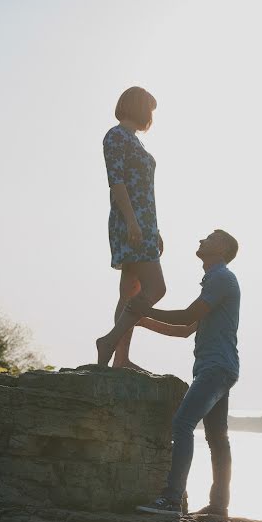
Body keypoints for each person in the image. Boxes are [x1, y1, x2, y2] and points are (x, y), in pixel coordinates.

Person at [131, 229, 240, 518]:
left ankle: (171, 498)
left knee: (182, 424)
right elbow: (184, 330)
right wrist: (142, 321)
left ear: (223, 248)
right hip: (218, 367)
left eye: (211, 237)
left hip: (216, 368)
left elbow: (187, 316)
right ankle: (219, 507)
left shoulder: (221, 278)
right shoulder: (214, 282)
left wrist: (147, 308)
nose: (203, 238)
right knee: (217, 437)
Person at [96, 86, 165, 370]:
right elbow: (117, 182)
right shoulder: (116, 136)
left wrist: (155, 229)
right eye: (149, 108)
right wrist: (133, 222)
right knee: (156, 287)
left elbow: (146, 191)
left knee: (130, 291)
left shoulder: (134, 142)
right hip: (131, 223)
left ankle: (121, 359)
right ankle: (110, 341)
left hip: (144, 224)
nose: (151, 116)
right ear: (139, 108)